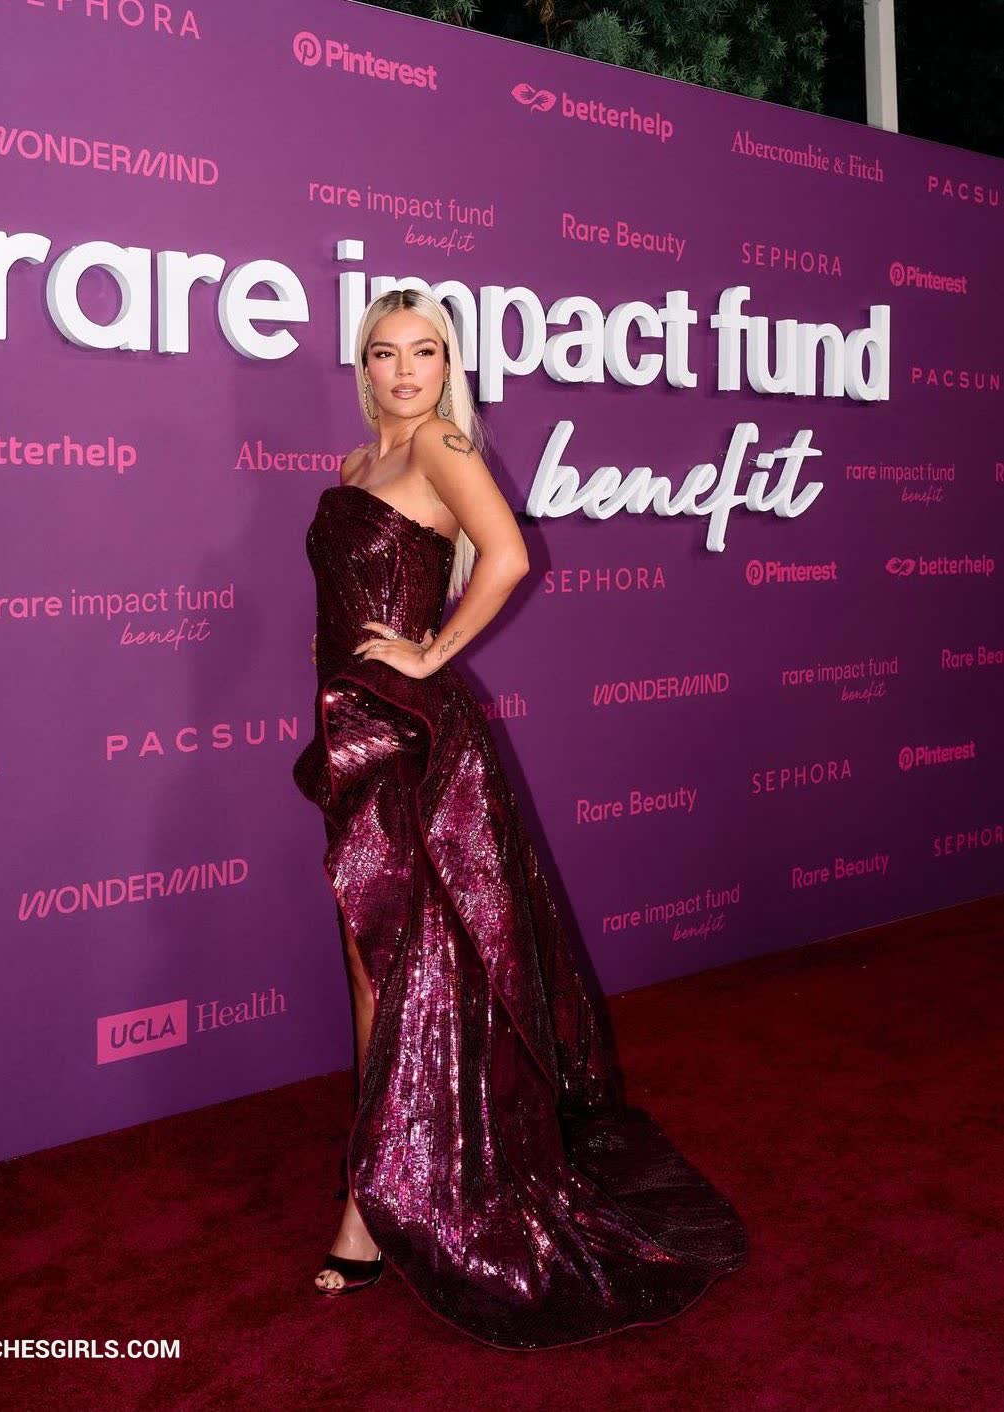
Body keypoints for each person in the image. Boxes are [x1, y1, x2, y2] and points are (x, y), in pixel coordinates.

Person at [292, 288, 747, 1350]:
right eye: (385, 352)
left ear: (449, 363)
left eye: (425, 351)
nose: (405, 369)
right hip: (352, 731)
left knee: (397, 962)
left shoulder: (442, 444)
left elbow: (506, 557)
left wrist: (428, 653)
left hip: (413, 740)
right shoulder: (359, 464)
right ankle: (381, 1165)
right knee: (369, 957)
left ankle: (366, 1204)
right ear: (362, 365)